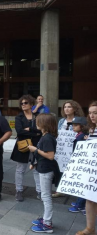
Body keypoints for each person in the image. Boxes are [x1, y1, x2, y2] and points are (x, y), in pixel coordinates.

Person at [28, 114, 58, 233]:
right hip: (43, 167)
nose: (36, 123)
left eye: (38, 121)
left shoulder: (47, 138)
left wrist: (35, 150)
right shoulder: (46, 136)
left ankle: (47, 224)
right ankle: (46, 219)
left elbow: (50, 156)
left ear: (44, 124)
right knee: (45, 196)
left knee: (46, 197)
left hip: (46, 170)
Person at [10, 95, 42, 202]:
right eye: (22, 103)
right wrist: (35, 132)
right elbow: (19, 131)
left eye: (26, 103)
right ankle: (18, 190)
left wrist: (30, 129)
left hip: (36, 145)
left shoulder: (37, 116)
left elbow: (42, 130)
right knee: (20, 169)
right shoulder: (19, 117)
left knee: (36, 169)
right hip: (23, 145)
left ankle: (39, 191)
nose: (23, 105)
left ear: (31, 104)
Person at [53, 100, 84, 197]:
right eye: (65, 107)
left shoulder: (79, 120)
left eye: (69, 107)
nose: (66, 109)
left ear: (74, 108)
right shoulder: (62, 121)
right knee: (60, 169)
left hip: (73, 149)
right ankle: (60, 189)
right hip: (61, 150)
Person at [76, 101, 97, 235]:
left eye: (95, 113)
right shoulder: (92, 129)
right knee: (90, 198)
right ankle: (90, 228)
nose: (92, 115)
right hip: (92, 170)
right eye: (90, 113)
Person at [67, 117, 88, 214]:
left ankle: (81, 205)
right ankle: (80, 203)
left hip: (81, 163)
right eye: (73, 125)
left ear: (82, 126)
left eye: (75, 125)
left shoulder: (82, 137)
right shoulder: (80, 135)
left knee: (82, 185)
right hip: (80, 162)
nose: (73, 127)